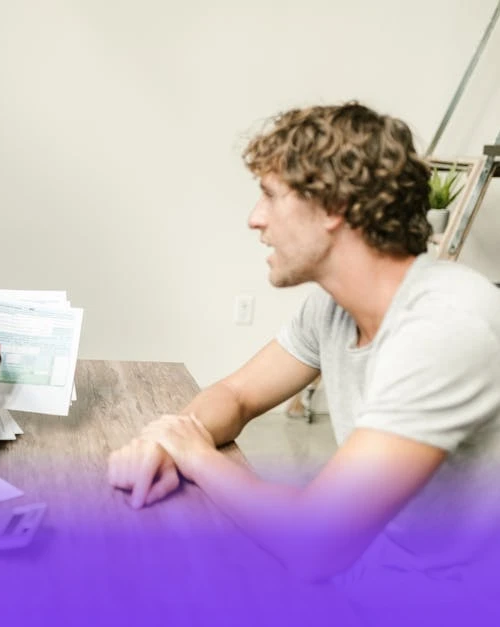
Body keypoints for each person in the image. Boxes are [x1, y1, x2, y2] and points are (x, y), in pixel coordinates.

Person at [107, 102, 500, 587]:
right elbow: (238, 395)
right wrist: (163, 438)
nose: (255, 219)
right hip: (380, 573)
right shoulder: (332, 309)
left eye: (270, 196)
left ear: (333, 207)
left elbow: (317, 544)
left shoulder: (447, 325)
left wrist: (193, 453)